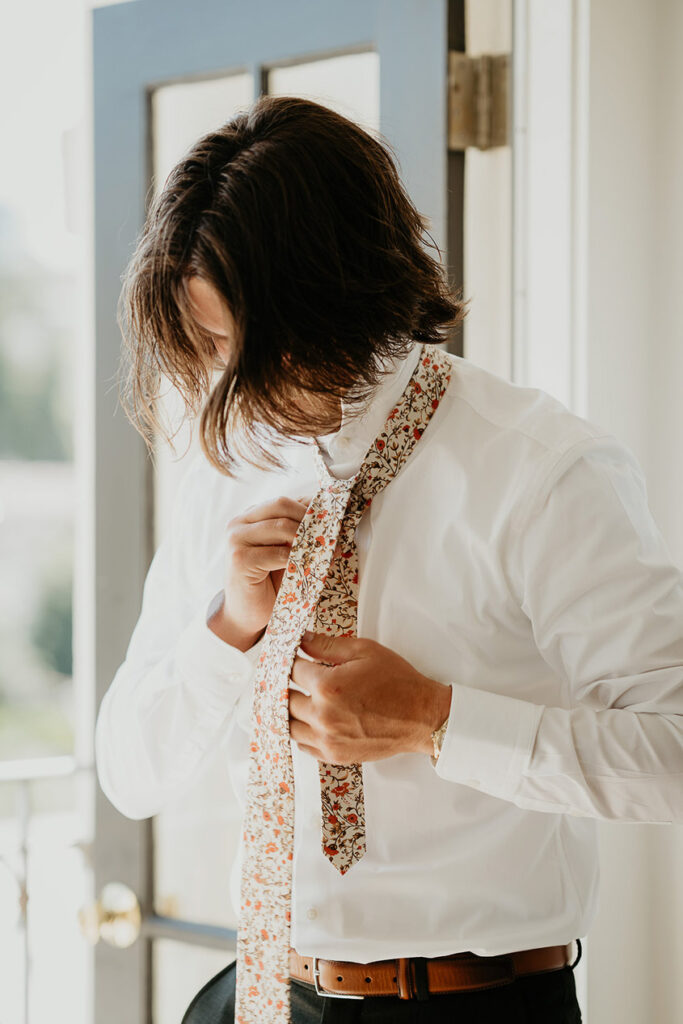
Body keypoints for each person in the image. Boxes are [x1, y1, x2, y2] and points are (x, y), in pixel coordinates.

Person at [94, 94, 683, 1024]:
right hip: (260, 994)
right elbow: (128, 774)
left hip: (472, 1002)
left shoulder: (542, 470)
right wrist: (228, 631)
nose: (215, 379)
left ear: (322, 302)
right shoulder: (226, 467)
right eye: (199, 344)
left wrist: (437, 722)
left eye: (229, 344)